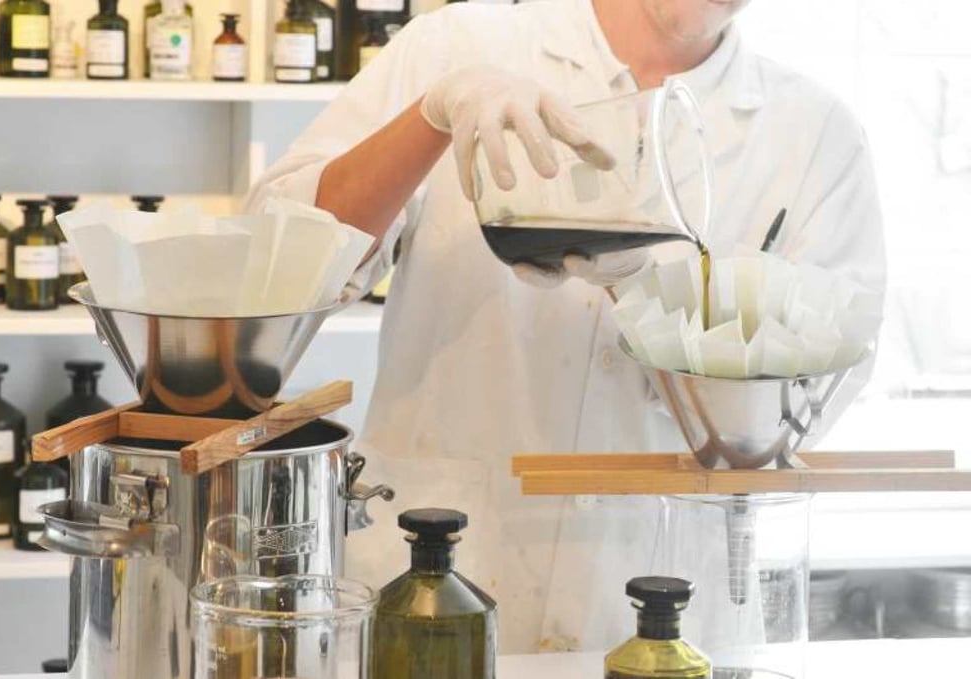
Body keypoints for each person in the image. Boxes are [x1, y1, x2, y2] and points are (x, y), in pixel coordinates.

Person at [246, 0, 886, 654]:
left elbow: (790, 416)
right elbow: (268, 270)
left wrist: (651, 296)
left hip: (668, 629)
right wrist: (431, 116)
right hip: (435, 606)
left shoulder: (815, 137)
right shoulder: (458, 45)